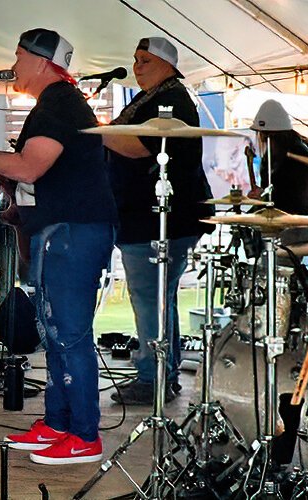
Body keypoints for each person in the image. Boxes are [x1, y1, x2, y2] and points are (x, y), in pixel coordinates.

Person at [0, 28, 117, 465]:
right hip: (61, 230)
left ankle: (84, 435)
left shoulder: (59, 104)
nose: (14, 64)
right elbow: (27, 175)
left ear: (42, 62)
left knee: (68, 334)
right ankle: (59, 424)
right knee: (54, 333)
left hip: (73, 232)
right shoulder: (55, 104)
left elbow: (30, 167)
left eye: (19, 55)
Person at [103, 36, 214, 405]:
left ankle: (152, 377)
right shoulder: (154, 96)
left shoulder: (171, 99)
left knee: (150, 299)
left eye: (145, 60)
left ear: (168, 64)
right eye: (135, 59)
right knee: (160, 298)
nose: (137, 67)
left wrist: (98, 131)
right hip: (150, 218)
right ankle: (164, 371)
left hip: (158, 220)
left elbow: (138, 146)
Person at [249, 100, 308, 216]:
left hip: (294, 223)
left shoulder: (298, 153)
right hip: (278, 219)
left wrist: (264, 195)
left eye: (264, 134)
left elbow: (295, 195)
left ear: (274, 134)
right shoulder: (272, 153)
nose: (262, 138)